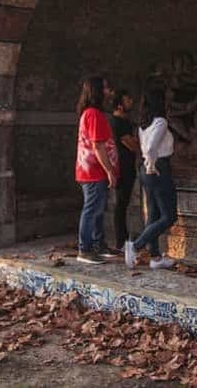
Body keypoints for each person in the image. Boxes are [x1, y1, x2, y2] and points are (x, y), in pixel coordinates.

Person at [123, 88, 178, 270]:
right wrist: (151, 166)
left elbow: (145, 148)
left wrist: (148, 167)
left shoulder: (143, 124)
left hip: (147, 171)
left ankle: (155, 256)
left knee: (153, 214)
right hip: (157, 168)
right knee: (169, 216)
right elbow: (151, 149)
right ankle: (136, 245)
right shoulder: (160, 122)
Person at [75, 76, 119, 265]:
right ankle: (84, 249)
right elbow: (98, 146)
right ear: (97, 91)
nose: (109, 91)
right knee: (92, 209)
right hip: (93, 172)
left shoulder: (94, 114)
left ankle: (98, 244)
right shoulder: (93, 114)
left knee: (98, 209)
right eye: (106, 88)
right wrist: (109, 170)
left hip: (96, 172)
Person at [110, 89, 139, 252]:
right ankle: (121, 241)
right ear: (120, 105)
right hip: (122, 167)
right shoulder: (117, 123)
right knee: (121, 204)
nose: (131, 102)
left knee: (123, 203)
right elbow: (131, 144)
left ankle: (124, 237)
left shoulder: (125, 122)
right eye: (128, 100)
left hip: (127, 166)